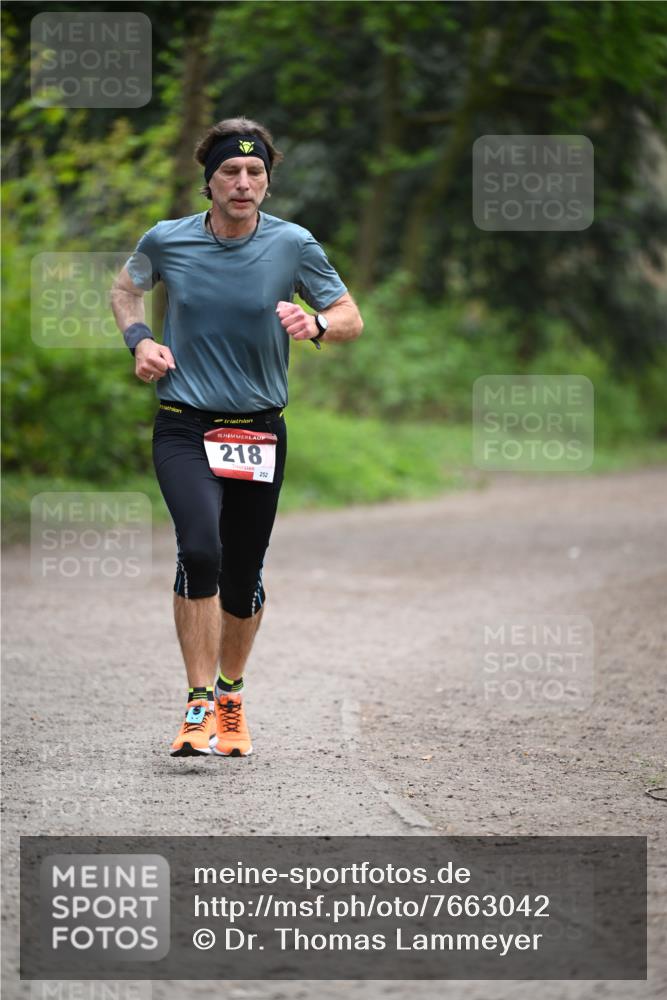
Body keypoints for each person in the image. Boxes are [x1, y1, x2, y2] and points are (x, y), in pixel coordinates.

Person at [111, 116, 363, 758]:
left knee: (244, 573)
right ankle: (196, 703)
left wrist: (316, 324)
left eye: (255, 172)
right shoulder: (167, 241)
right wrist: (140, 341)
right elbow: (124, 289)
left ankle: (230, 696)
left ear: (268, 184)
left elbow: (350, 316)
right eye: (230, 171)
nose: (243, 182)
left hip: (258, 432)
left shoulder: (293, 244)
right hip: (185, 424)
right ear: (210, 180)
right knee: (200, 550)